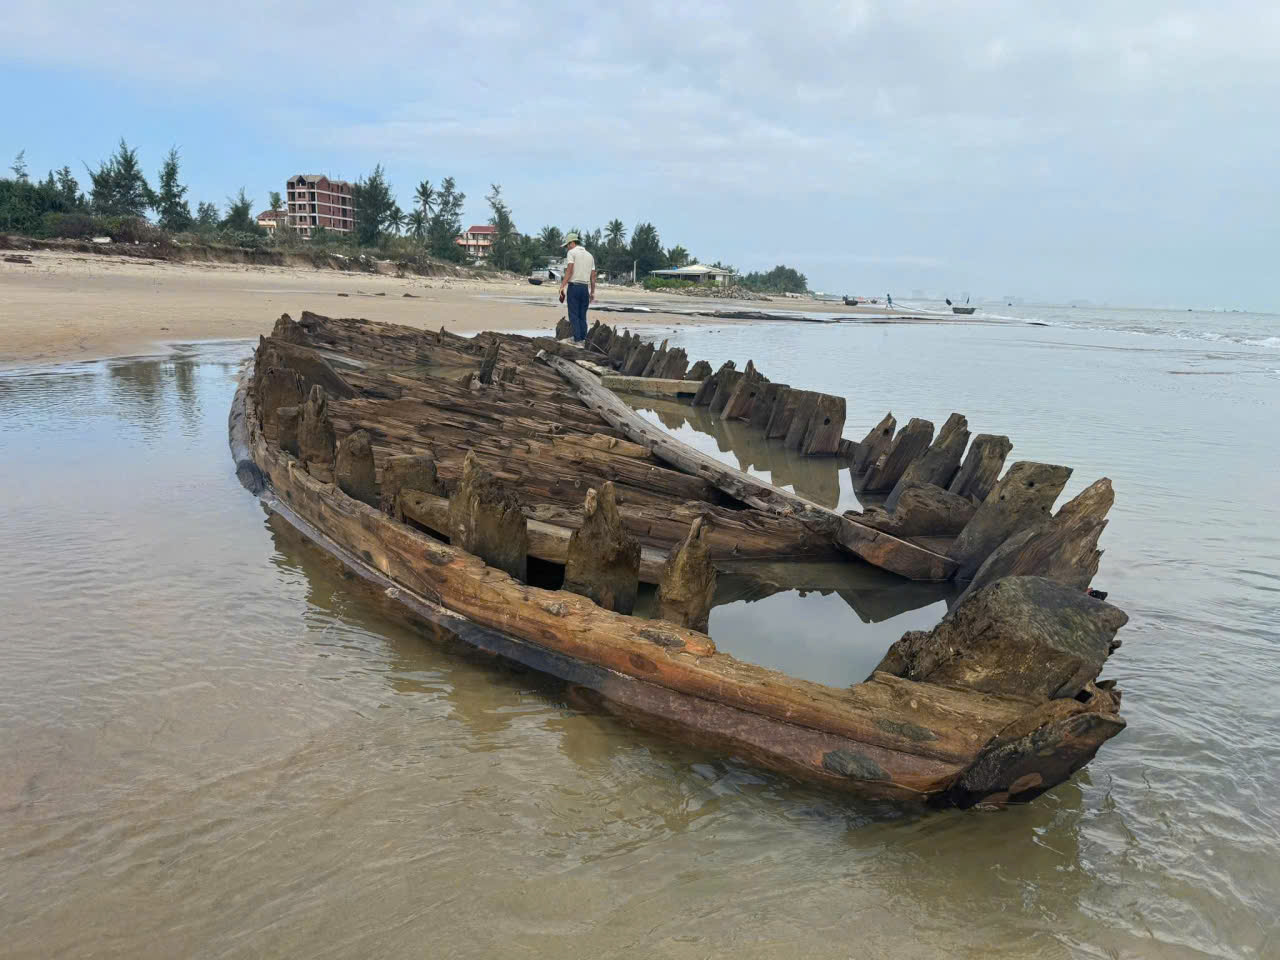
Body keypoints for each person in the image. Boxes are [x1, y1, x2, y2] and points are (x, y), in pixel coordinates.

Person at [559, 232, 596, 344]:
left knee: (573, 314)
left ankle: (577, 339)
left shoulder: (572, 253)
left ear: (572, 243)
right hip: (585, 288)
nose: (567, 248)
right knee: (582, 315)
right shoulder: (590, 255)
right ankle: (583, 339)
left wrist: (562, 286)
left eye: (567, 245)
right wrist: (592, 292)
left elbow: (569, 271)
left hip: (574, 287)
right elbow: (593, 276)